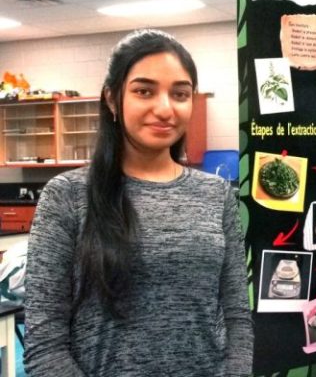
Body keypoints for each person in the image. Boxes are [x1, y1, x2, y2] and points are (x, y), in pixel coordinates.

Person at [24, 29, 254, 376]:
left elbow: (236, 317)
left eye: (180, 94)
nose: (164, 108)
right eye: (144, 91)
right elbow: (45, 344)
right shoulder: (67, 195)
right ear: (112, 99)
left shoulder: (216, 194)